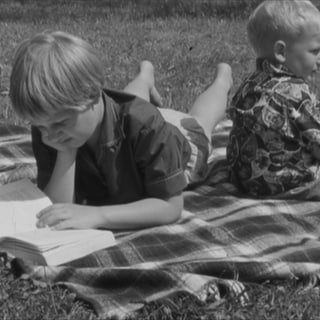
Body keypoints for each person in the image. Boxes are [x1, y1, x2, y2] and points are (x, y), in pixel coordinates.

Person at [9, 31, 232, 230]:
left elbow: (170, 206)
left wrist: (99, 215)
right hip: (129, 121)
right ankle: (144, 76)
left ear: (93, 96)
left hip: (181, 142)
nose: (48, 135)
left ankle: (223, 79)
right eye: (39, 126)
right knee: (130, 103)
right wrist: (66, 152)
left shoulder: (146, 126)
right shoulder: (53, 127)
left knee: (200, 121)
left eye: (59, 123)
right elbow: (57, 208)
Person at [226, 0, 320, 198]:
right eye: (314, 51)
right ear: (281, 52)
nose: (319, 59)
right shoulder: (295, 93)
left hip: (243, 179)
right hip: (281, 184)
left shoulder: (251, 81)